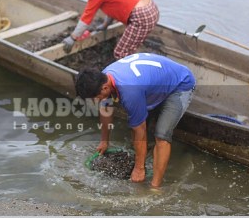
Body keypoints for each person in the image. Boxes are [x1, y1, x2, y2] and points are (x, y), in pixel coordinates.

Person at [75, 53, 196, 188]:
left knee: (161, 135)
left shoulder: (129, 92)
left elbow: (140, 130)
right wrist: (104, 141)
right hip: (153, 82)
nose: (95, 101)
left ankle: (155, 187)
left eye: (95, 97)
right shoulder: (103, 77)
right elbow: (105, 109)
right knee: (136, 124)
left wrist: (139, 168)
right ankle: (146, 154)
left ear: (104, 88)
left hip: (180, 84)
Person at [63, 0, 159, 59]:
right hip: (152, 9)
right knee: (130, 47)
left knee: (120, 53)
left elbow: (86, 18)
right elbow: (113, 7)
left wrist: (73, 38)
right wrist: (105, 24)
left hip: (142, 16)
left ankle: (130, 73)